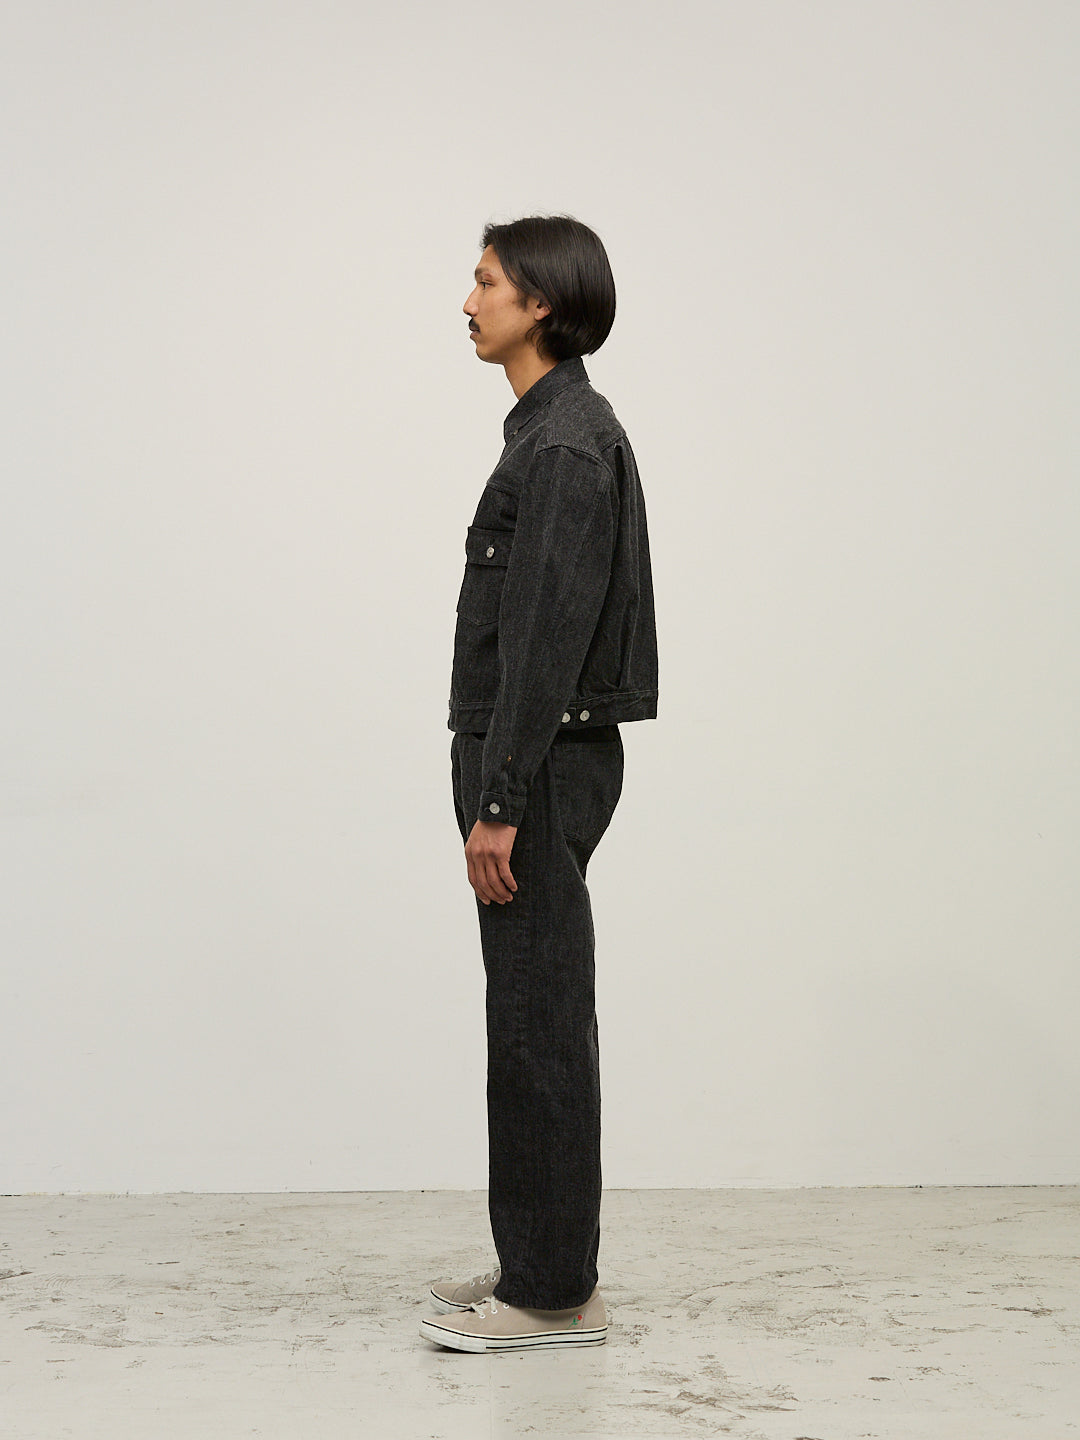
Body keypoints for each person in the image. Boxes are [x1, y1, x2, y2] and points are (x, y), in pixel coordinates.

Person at [419, 215, 658, 1353]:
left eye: (485, 283)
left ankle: (553, 1297)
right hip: (533, 761)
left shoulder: (563, 447)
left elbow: (545, 643)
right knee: (528, 1012)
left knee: (537, 1024)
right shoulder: (550, 434)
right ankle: (542, 1264)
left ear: (542, 304)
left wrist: (499, 802)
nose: (467, 303)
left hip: (537, 769)